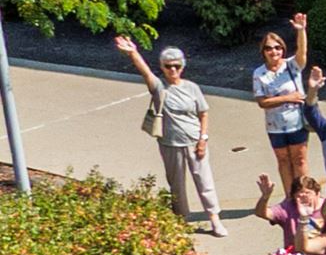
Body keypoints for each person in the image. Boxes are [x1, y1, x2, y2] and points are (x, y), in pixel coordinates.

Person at [114, 35, 225, 233]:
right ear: (162, 67)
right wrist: (133, 52)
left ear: (182, 67)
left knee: (204, 181)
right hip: (170, 143)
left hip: (194, 141)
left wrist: (203, 139)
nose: (172, 70)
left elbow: (203, 113)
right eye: (168, 66)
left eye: (176, 66)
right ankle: (181, 219)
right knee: (177, 184)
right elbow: (145, 72)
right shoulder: (159, 88)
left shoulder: (192, 88)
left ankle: (214, 219)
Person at [248, 14, 313, 196]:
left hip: (296, 123)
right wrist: (288, 98)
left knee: (299, 160)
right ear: (263, 51)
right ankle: (289, 197)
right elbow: (262, 102)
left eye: (277, 48)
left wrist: (301, 31)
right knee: (283, 161)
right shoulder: (259, 74)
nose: (274, 52)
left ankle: (304, 194)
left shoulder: (291, 66)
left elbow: (302, 52)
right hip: (274, 126)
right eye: (269, 48)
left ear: (283, 50)